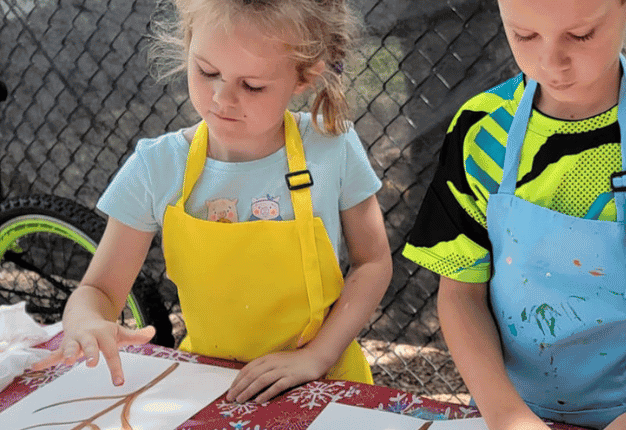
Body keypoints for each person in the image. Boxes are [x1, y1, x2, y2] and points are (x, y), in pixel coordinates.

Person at [401, 0, 626, 428]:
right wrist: (507, 417)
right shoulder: (479, 130)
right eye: (524, 35)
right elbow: (460, 294)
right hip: (505, 410)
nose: (550, 62)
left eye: (580, 36)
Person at [36, 0, 391, 405]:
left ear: (305, 76)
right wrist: (85, 319)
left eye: (252, 85)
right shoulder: (157, 167)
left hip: (324, 380)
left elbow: (373, 262)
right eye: (207, 71)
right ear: (188, 45)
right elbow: (98, 289)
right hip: (210, 386)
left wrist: (315, 356)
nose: (222, 99)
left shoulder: (332, 146)